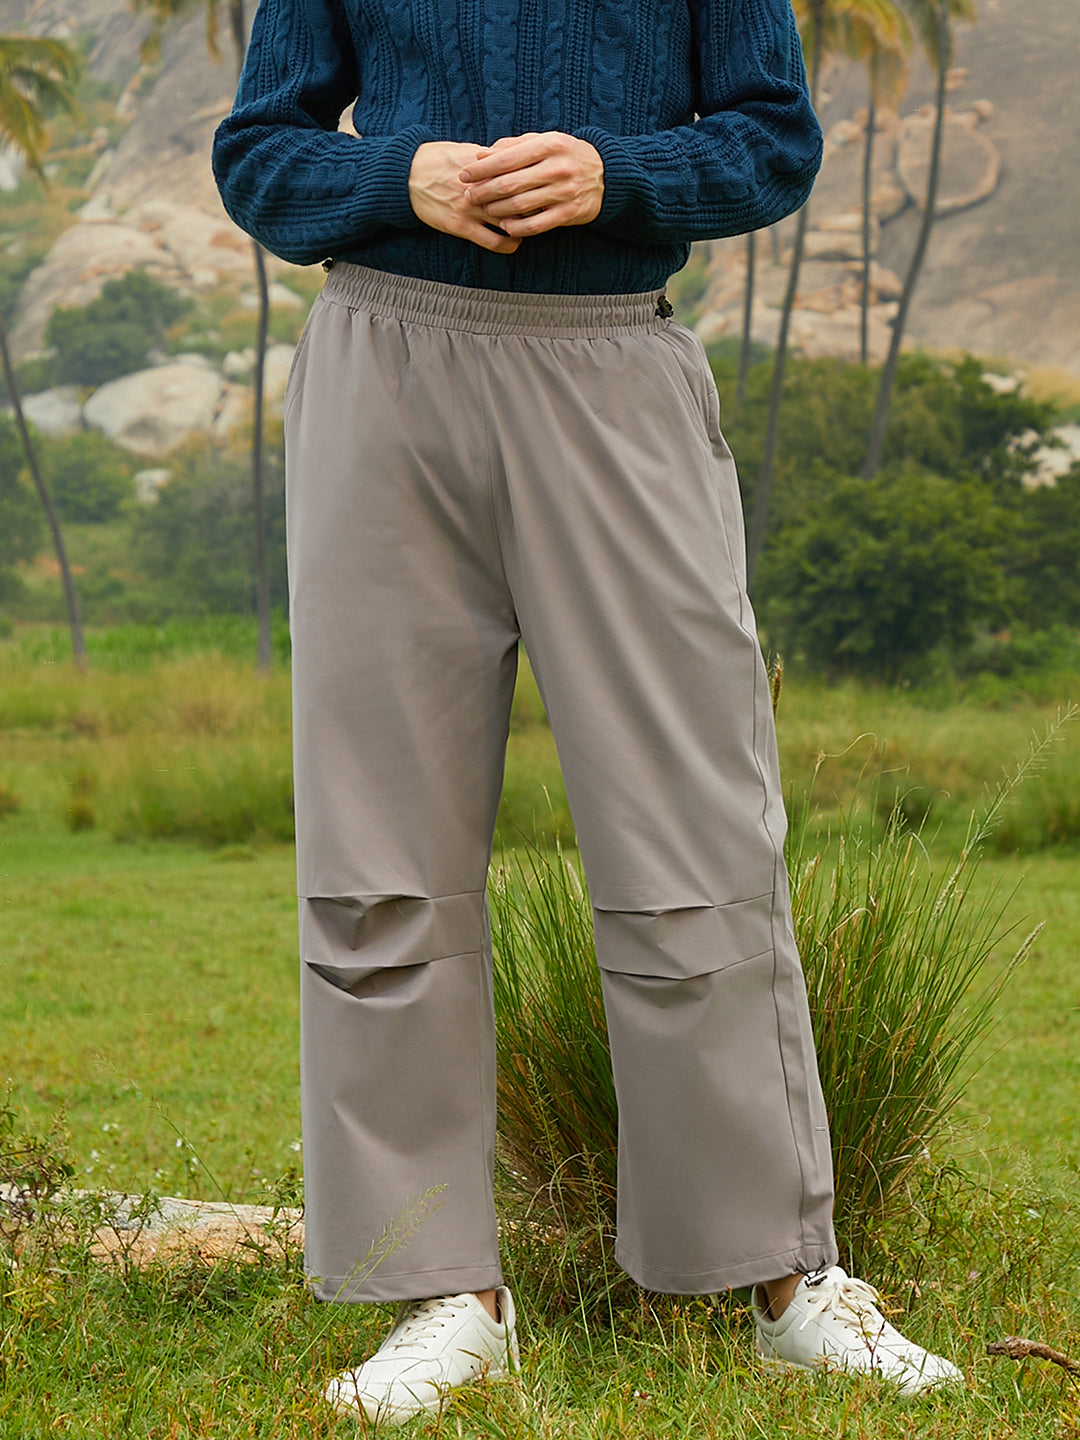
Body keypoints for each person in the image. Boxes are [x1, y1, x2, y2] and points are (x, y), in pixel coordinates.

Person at [212, 0, 961, 1421]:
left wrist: (620, 177)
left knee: (697, 841)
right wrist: (401, 180)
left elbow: (773, 141)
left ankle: (786, 1281)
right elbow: (259, 154)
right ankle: (438, 1291)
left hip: (612, 370)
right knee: (379, 862)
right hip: (382, 371)